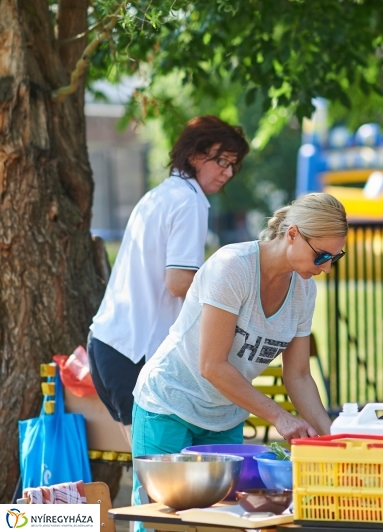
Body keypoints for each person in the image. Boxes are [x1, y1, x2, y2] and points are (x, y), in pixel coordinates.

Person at [131, 193, 347, 517]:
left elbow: (298, 375)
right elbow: (212, 366)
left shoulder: (304, 290)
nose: (327, 268)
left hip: (224, 416)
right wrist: (280, 417)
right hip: (170, 403)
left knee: (222, 520)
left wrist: (332, 441)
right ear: (292, 234)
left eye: (335, 258)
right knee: (162, 520)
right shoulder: (232, 267)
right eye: (321, 256)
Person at [88, 116, 249, 445]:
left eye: (233, 165)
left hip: (110, 343)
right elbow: (178, 281)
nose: (228, 173)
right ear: (194, 155)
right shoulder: (190, 202)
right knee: (157, 484)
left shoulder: (161, 194)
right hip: (135, 354)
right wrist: (234, 292)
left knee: (153, 478)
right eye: (221, 161)